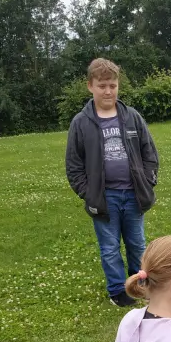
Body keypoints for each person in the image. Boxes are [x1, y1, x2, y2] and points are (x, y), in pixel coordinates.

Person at [65, 58, 159, 308]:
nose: (108, 91)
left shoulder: (132, 118)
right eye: (102, 85)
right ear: (90, 86)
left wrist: (148, 182)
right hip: (103, 198)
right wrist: (89, 194)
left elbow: (149, 152)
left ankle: (139, 285)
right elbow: (74, 165)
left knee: (137, 244)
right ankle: (119, 290)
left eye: (113, 85)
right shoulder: (81, 123)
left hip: (133, 195)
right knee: (109, 247)